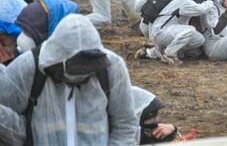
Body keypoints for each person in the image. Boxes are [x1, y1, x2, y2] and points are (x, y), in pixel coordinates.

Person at [0, 14, 138, 145]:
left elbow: (125, 125)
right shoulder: (28, 67)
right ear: (58, 58)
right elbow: (6, 125)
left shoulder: (111, 68)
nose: (78, 77)